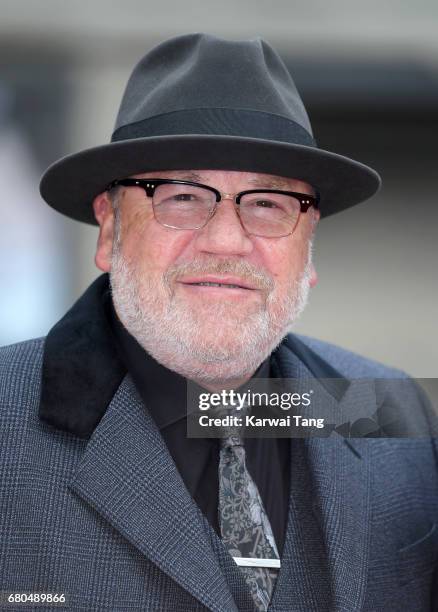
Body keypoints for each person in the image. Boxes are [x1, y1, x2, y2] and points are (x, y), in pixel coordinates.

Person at [1, 33, 437, 612]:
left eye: (267, 203)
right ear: (110, 229)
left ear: (308, 249)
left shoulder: (391, 413)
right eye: (181, 197)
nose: (227, 241)